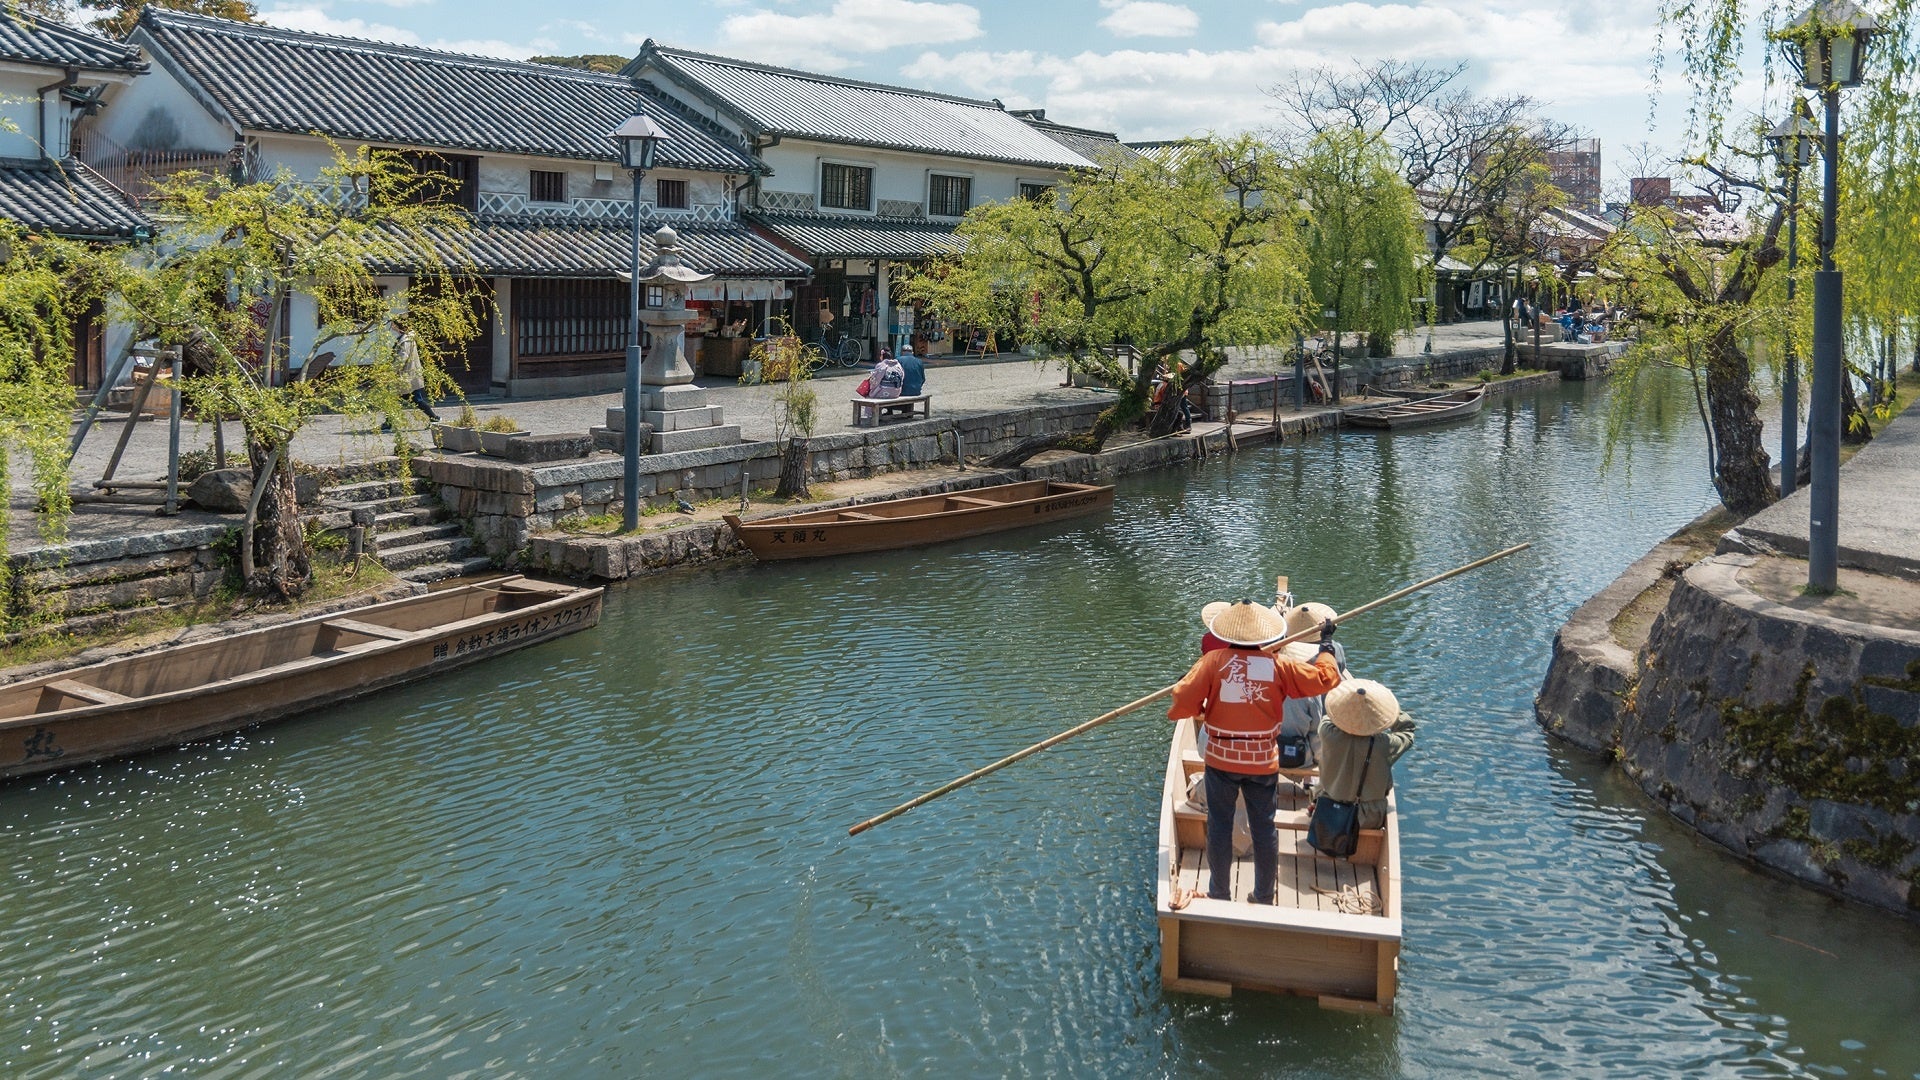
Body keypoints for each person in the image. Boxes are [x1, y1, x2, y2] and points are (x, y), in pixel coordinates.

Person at [1168, 601, 1343, 905]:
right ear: (1264, 637)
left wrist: (1201, 708)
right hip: (1262, 761)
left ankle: (1219, 892)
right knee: (1265, 827)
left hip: (1221, 760)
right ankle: (1263, 895)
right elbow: (1325, 679)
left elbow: (1181, 700)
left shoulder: (1212, 662)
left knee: (1219, 826)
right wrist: (1326, 646)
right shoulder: (1278, 665)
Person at [1315, 679, 1416, 831]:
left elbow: (1331, 713)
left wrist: (1349, 704)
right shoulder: (1384, 743)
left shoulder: (1328, 732)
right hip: (1367, 817)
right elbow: (1407, 732)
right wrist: (1389, 710)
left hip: (1329, 808)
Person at [390, 314, 438, 425]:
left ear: (398, 325)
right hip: (406, 375)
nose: (392, 326)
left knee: (416, 399)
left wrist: (392, 371)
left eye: (393, 324)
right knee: (398, 400)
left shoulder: (406, 340)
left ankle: (434, 417)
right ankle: (389, 423)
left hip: (407, 375)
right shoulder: (405, 337)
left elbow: (402, 357)